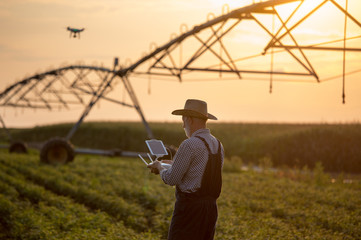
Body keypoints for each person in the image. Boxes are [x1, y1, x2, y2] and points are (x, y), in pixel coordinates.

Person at [147, 99, 224, 240]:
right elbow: (198, 171)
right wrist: (173, 163)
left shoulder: (189, 144)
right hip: (210, 210)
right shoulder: (218, 145)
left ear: (189, 120)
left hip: (189, 210)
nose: (183, 125)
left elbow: (171, 179)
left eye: (183, 121)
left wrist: (159, 167)